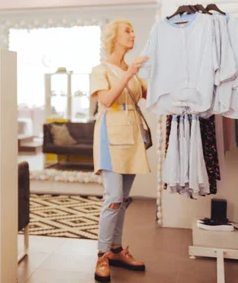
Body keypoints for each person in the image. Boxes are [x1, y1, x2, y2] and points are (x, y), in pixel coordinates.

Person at [90, 20, 150, 282]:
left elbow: (152, 92)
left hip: (133, 138)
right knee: (113, 198)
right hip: (110, 137)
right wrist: (130, 73)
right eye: (128, 30)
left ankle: (116, 250)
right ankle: (102, 255)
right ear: (113, 37)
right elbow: (106, 100)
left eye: (133, 30)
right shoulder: (100, 70)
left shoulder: (134, 72)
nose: (133, 34)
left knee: (123, 199)